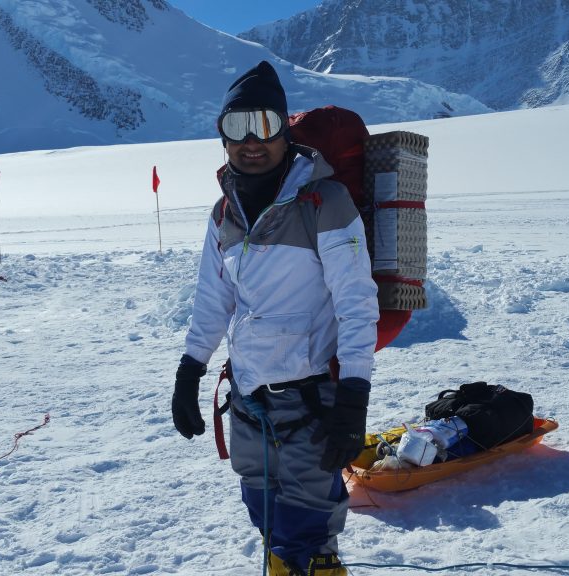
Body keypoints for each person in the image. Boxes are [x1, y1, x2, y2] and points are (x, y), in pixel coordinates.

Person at [171, 61, 378, 576]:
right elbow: (212, 299)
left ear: (285, 129)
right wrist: (189, 370)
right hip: (248, 390)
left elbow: (356, 301)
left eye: (263, 124)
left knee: (309, 510)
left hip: (309, 390)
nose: (251, 141)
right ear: (222, 137)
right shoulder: (225, 212)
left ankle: (312, 564)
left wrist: (354, 395)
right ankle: (284, 562)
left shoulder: (324, 201)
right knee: (259, 493)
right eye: (236, 127)